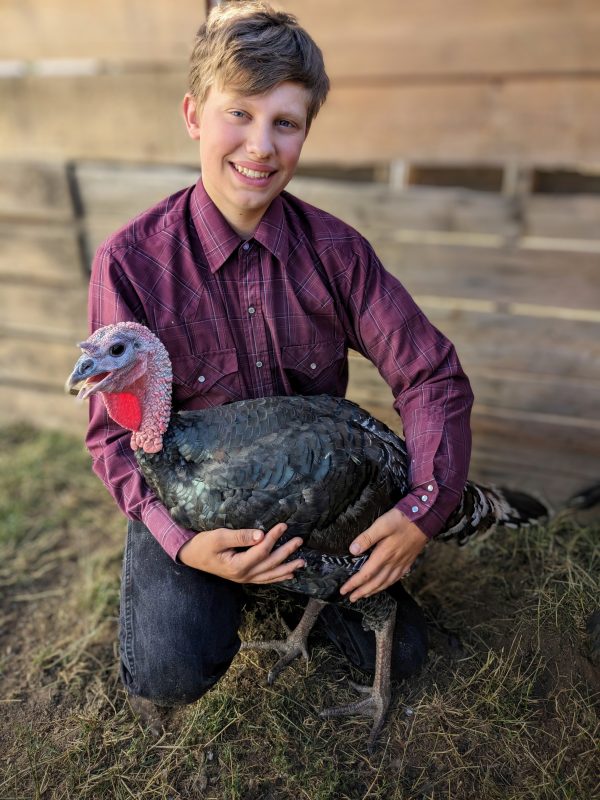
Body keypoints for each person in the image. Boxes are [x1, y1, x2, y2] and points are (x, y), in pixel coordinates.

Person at [86, 0, 473, 724]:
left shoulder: (336, 253)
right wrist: (186, 547)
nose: (259, 147)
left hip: (313, 504)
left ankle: (300, 594)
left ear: (305, 132)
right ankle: (228, 590)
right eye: (239, 114)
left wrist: (422, 510)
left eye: (285, 123)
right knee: (171, 667)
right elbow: (112, 437)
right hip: (195, 504)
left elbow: (432, 376)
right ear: (194, 114)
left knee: (406, 653)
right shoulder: (132, 263)